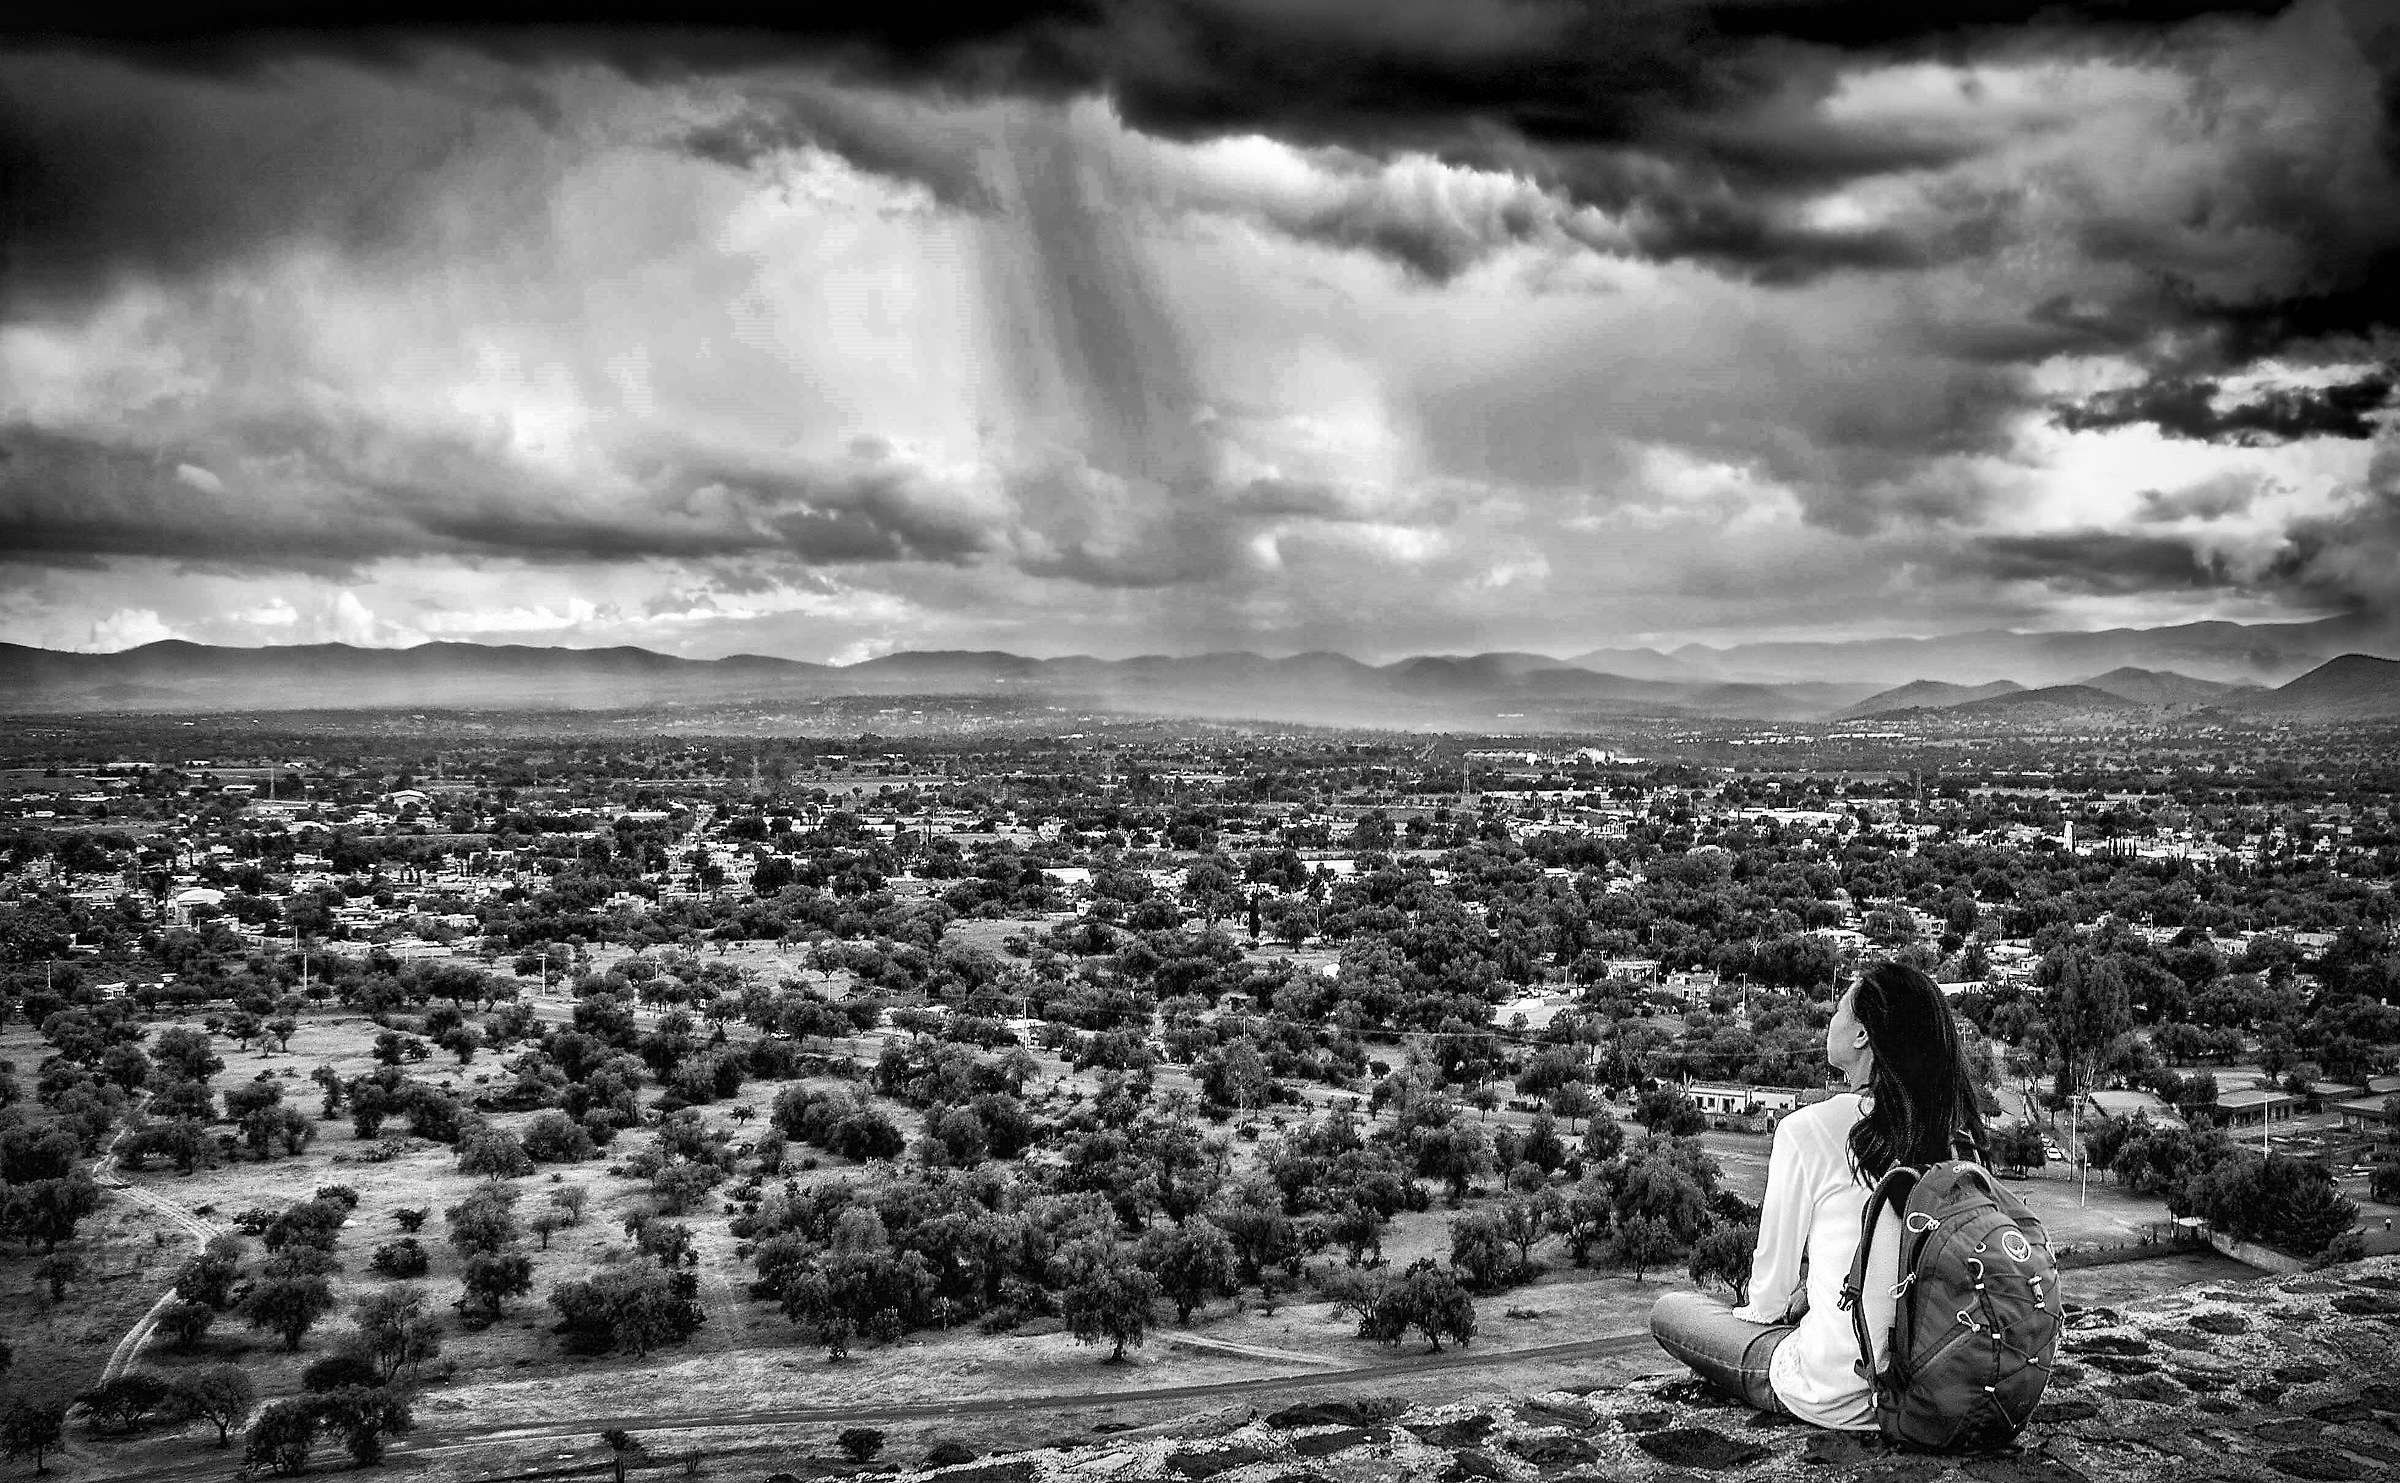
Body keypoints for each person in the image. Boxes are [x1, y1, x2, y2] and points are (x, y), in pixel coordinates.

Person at [1649, 960, 1991, 1429]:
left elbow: (1767, 1300)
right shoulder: (1957, 1137)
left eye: (1837, 1009)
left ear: (1861, 1036)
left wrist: (1789, 1303)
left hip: (1835, 1393)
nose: (1829, 1017)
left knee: (1671, 1310)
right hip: (1936, 1387)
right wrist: (1817, 1292)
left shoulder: (1809, 1130)